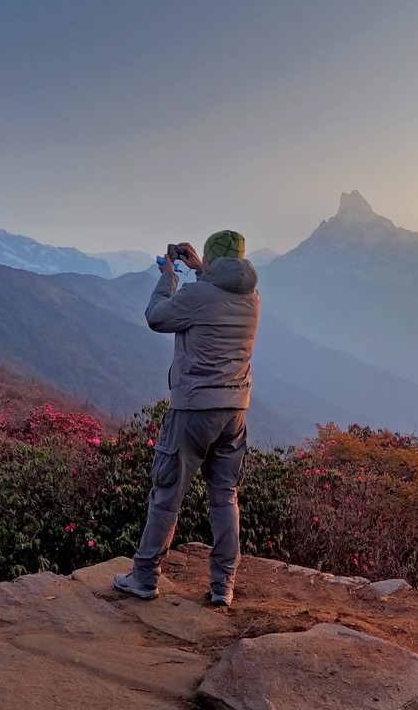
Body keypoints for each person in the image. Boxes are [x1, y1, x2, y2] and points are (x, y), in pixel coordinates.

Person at [114, 230, 260, 607]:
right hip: (235, 412)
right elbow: (217, 294)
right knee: (225, 497)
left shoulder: (196, 296)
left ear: (211, 259)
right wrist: (201, 269)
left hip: (194, 409)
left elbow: (156, 318)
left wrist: (169, 274)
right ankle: (223, 586)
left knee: (167, 494)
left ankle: (145, 577)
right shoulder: (252, 297)